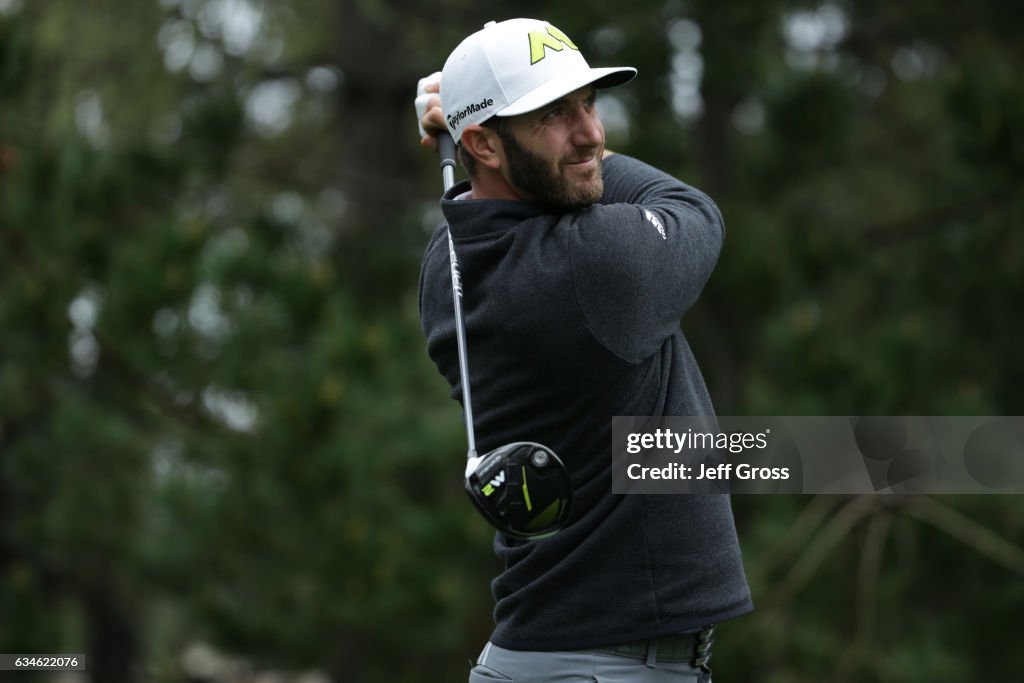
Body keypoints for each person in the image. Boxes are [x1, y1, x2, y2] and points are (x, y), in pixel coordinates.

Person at [415, 18, 752, 683]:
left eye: (588, 103)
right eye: (552, 115)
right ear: (483, 143)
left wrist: (480, 131)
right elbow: (692, 209)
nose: (593, 134)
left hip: (543, 658)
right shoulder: (598, 268)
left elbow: (484, 201)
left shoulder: (444, 263)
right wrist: (461, 120)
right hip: (609, 668)